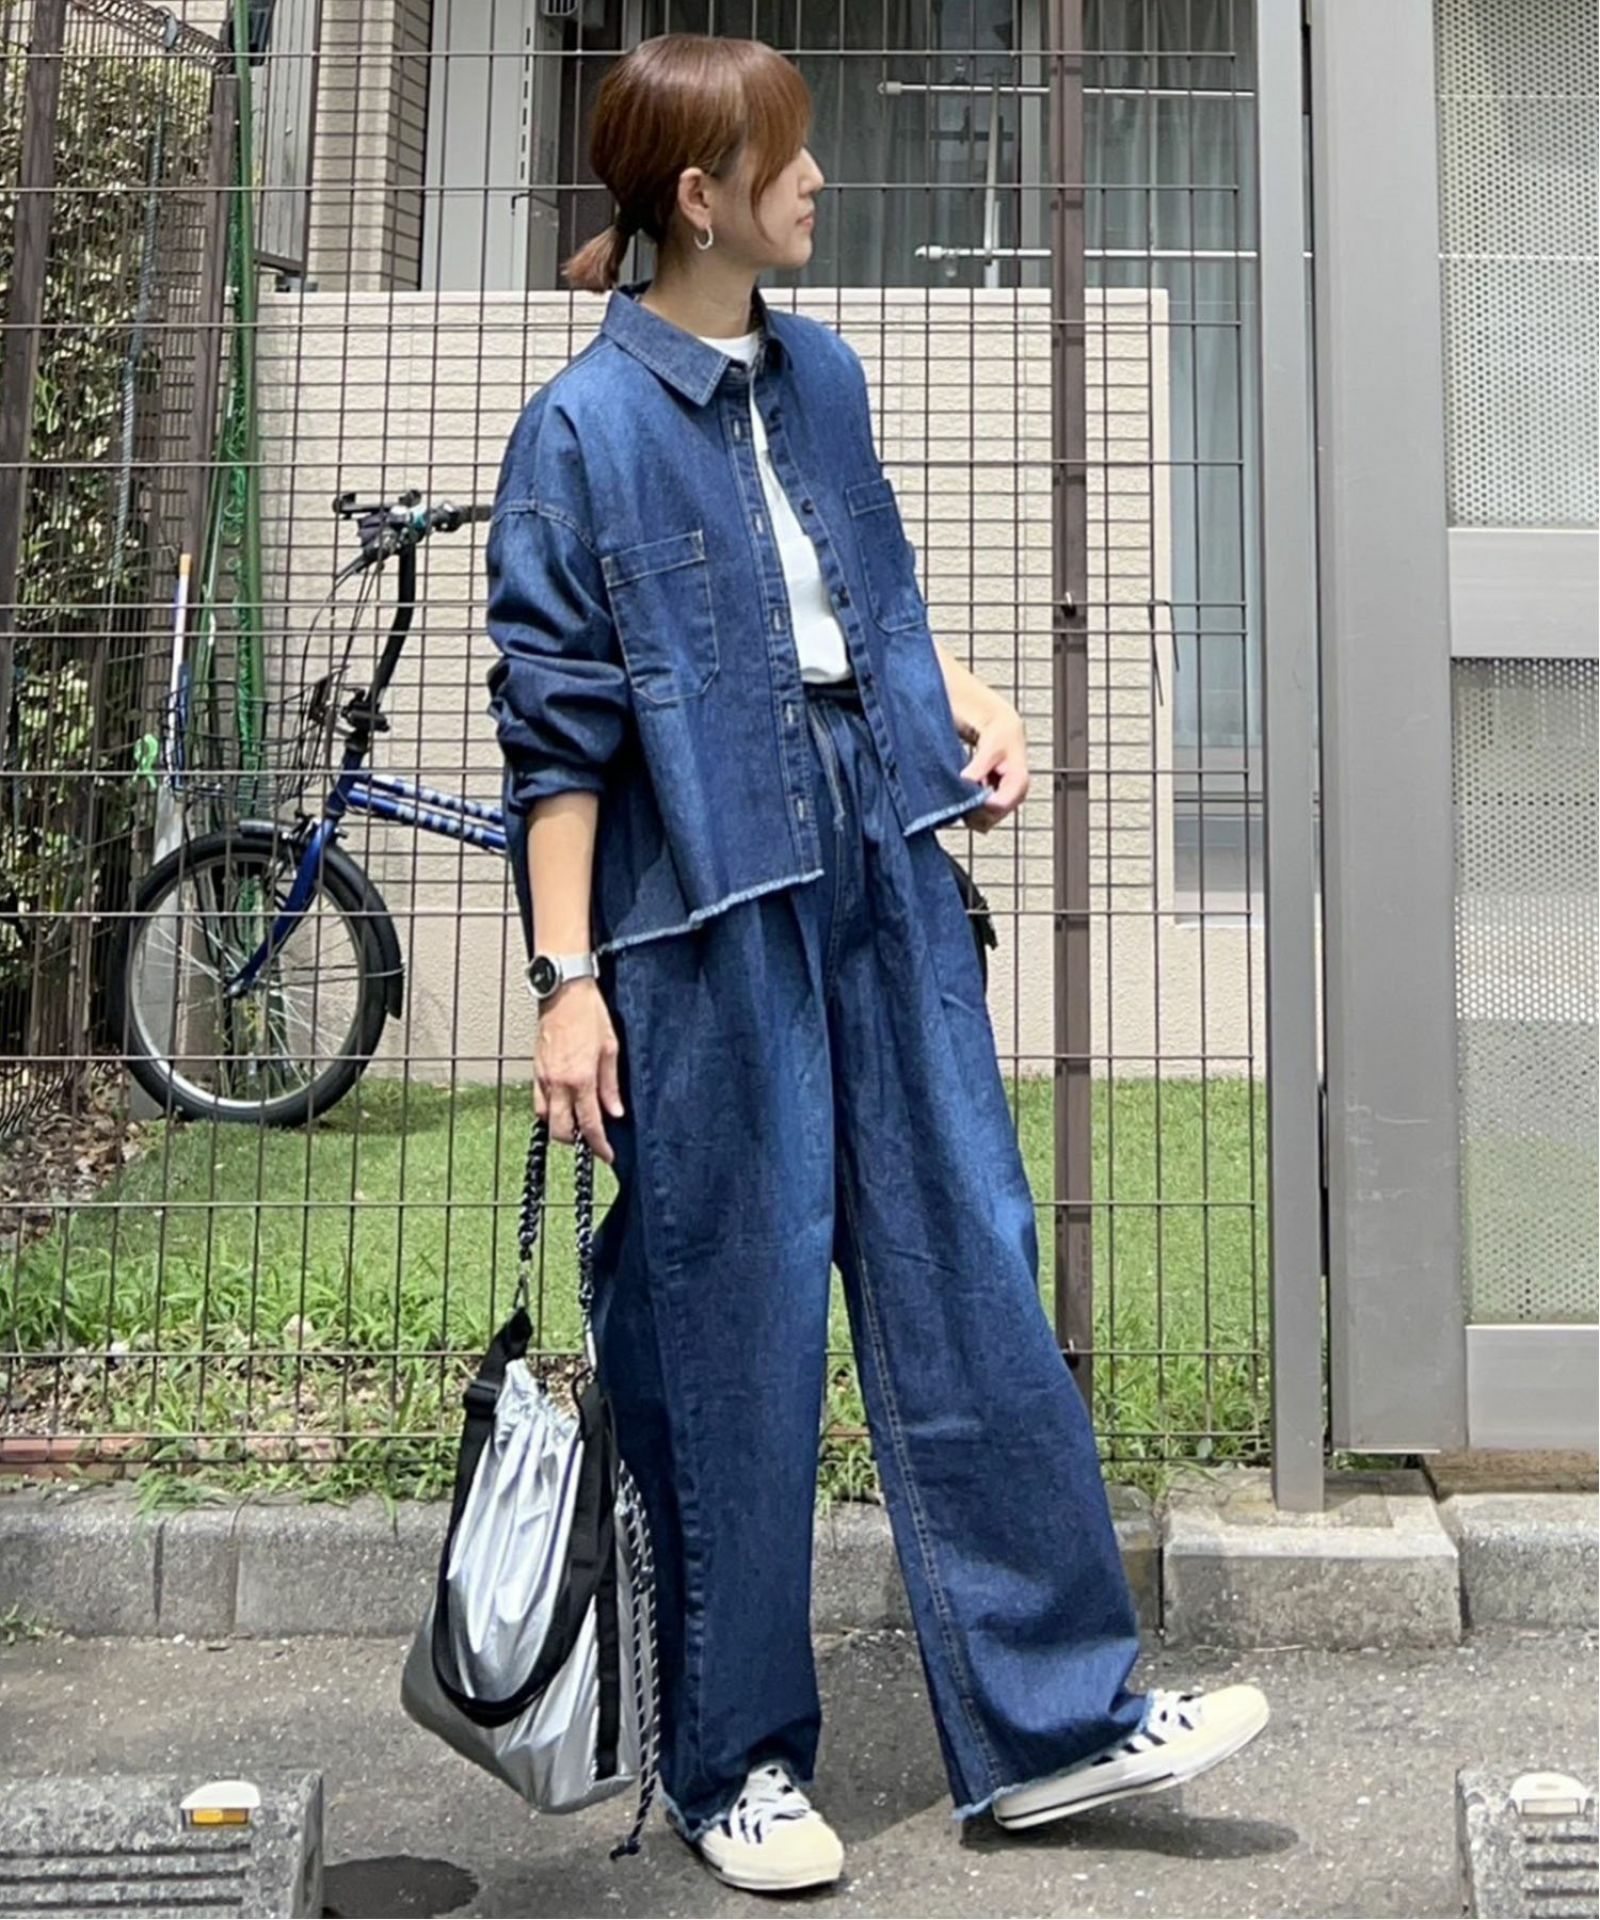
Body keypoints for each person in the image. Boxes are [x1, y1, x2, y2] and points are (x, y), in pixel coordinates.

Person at [485, 31, 1268, 1898]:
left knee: (971, 1260)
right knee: (733, 1330)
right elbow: (558, 741)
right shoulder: (581, 431)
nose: (820, 182)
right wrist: (564, 982)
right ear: (701, 199)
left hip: (884, 869)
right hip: (701, 915)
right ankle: (737, 1764)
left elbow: (866, 609)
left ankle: (1057, 1723)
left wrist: (970, 705)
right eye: (789, 158)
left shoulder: (819, 376)